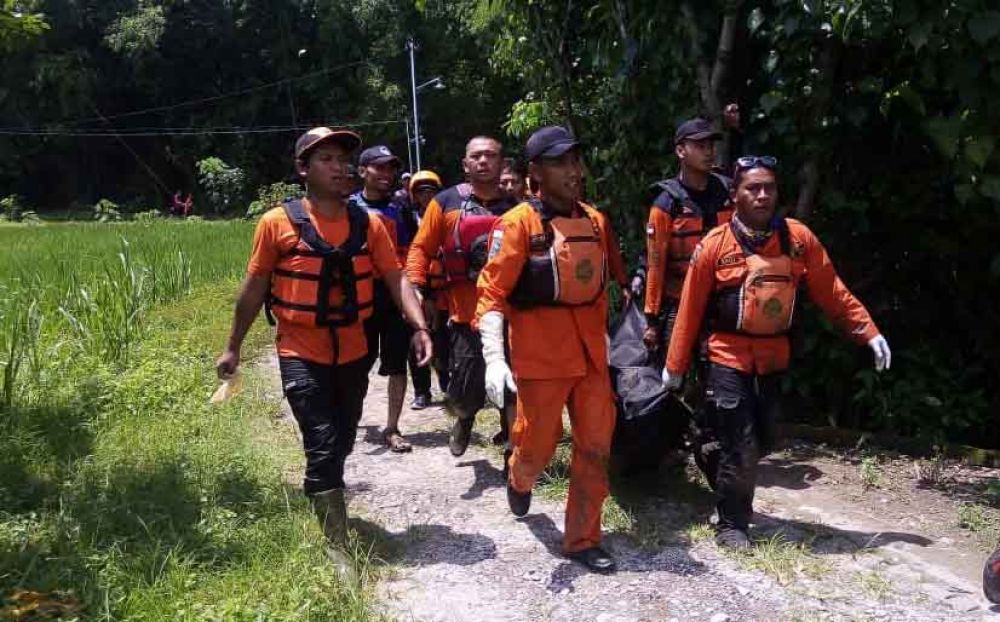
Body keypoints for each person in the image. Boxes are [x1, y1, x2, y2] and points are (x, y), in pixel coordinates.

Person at [215, 127, 432, 579]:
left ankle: (322, 486)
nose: (340, 167)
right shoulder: (277, 223)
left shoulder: (367, 224)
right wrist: (233, 347)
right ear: (303, 169)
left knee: (345, 436)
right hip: (300, 350)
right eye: (327, 159)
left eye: (343, 159)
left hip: (354, 351)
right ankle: (338, 544)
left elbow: (396, 278)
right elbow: (254, 288)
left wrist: (419, 324)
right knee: (323, 442)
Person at [663, 156, 892, 549]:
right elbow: (689, 310)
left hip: (773, 358)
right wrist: (675, 366)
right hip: (726, 356)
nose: (762, 194)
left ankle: (707, 443)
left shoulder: (797, 239)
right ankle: (733, 524)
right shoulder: (714, 247)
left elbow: (832, 291)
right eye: (753, 188)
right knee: (744, 445)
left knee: (766, 438)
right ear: (734, 195)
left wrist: (867, 331)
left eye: (769, 187)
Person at [477, 126, 618, 573]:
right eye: (560, 163)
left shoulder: (596, 222)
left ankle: (581, 539)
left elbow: (607, 281)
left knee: (595, 445)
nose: (573, 171)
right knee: (539, 444)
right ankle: (519, 474)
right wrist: (494, 358)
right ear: (535, 171)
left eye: (575, 160)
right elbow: (491, 292)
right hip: (540, 358)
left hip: (592, 356)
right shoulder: (518, 224)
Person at [406, 136, 519, 457]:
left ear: (502, 163)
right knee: (467, 391)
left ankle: (514, 451)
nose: (483, 161)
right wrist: (415, 284)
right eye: (476, 156)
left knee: (512, 386)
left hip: (510, 315)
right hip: (465, 316)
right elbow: (421, 248)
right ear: (465, 165)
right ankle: (465, 417)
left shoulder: (517, 208)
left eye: (491, 156)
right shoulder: (444, 203)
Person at [641, 118, 735, 367]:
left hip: (723, 302)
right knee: (673, 374)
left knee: (722, 375)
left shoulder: (729, 193)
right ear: (681, 151)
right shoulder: (666, 204)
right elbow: (655, 264)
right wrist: (651, 319)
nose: (708, 151)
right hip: (679, 302)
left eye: (711, 146)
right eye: (700, 145)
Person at [351, 145, 421, 452]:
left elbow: (412, 252)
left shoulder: (401, 209)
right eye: (378, 167)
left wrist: (415, 291)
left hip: (394, 294)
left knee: (396, 364)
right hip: (359, 296)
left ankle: (392, 428)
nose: (386, 174)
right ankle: (348, 417)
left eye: (390, 167)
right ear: (362, 171)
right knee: (356, 364)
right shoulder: (347, 207)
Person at [408, 170, 450, 402]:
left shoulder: (447, 215)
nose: (426, 196)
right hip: (416, 287)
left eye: (431, 191)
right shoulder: (406, 218)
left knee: (443, 339)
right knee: (416, 337)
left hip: (442, 288)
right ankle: (421, 391)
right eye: (421, 192)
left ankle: (447, 384)